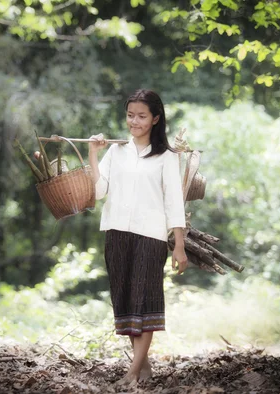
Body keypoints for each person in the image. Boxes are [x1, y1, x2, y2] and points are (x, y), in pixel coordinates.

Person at [88, 89, 188, 384]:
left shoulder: (168, 157)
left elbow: (174, 202)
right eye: (130, 115)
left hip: (151, 235)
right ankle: (142, 366)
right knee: (126, 300)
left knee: (145, 300)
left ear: (156, 119)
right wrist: (93, 153)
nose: (134, 121)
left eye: (142, 116)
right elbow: (98, 191)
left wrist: (179, 245)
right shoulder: (116, 151)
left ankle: (132, 373)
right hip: (116, 231)